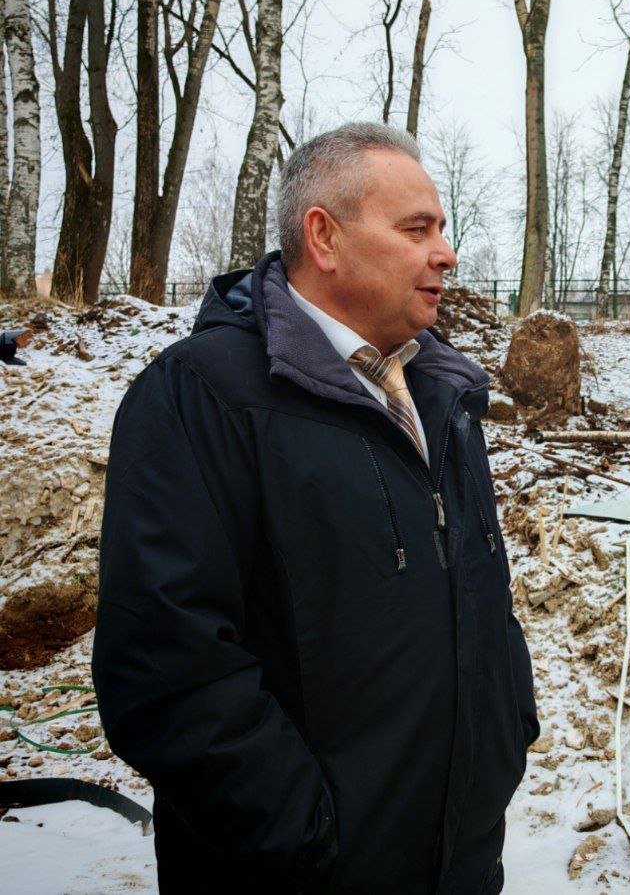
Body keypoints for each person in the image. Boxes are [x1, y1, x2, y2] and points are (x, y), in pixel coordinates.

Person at [93, 123, 538, 893]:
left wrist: (505, 735)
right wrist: (311, 838)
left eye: (443, 228)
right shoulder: (203, 396)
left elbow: (481, 598)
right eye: (417, 229)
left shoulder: (439, 392)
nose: (447, 252)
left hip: (458, 860)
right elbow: (168, 671)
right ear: (324, 237)